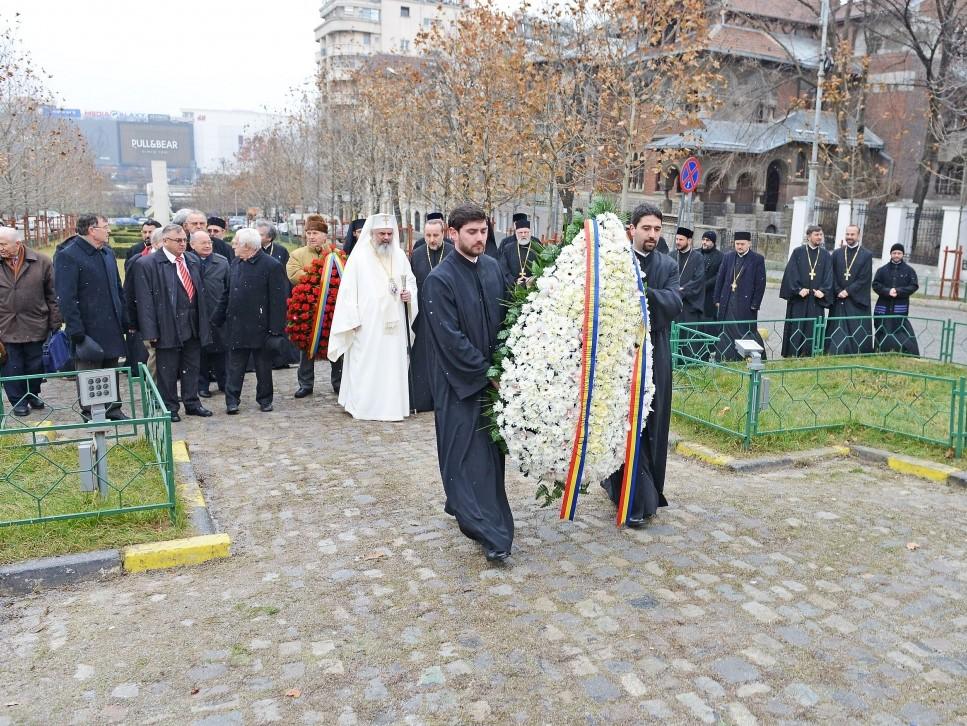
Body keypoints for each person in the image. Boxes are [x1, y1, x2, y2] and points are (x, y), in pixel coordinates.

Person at [422, 203, 512, 561]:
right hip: (458, 384)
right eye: (471, 232)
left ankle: (479, 514)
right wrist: (487, 373)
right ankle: (488, 533)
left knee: (488, 459)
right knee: (463, 457)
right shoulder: (439, 280)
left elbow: (506, 319)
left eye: (483, 231)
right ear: (452, 234)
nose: (479, 238)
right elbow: (450, 338)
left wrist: (507, 365)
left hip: (492, 381)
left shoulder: (492, 267)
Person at [601, 203, 682, 527]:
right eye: (646, 228)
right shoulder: (617, 261)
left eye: (657, 229)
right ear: (631, 229)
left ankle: (646, 492)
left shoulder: (668, 264)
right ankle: (627, 493)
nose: (652, 235)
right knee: (622, 422)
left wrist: (643, 295)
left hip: (655, 351)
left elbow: (675, 302)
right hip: (620, 354)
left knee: (652, 418)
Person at [327, 213, 417, 421]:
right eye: (381, 233)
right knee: (366, 366)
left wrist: (409, 294)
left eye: (389, 233)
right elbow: (348, 293)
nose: (386, 237)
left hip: (394, 325)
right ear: (372, 233)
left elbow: (411, 282)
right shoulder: (358, 258)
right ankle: (365, 407)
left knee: (392, 366)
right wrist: (352, 320)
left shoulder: (400, 256)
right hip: (367, 325)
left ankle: (393, 407)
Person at [53, 213, 130, 420]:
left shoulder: (106, 252)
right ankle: (91, 411)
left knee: (111, 369)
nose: (109, 230)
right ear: (91, 230)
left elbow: (117, 288)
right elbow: (66, 298)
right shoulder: (69, 255)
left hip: (111, 325)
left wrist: (124, 319)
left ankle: (113, 408)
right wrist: (77, 332)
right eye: (105, 226)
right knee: (90, 373)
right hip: (87, 328)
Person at [134, 224, 212, 421]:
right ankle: (170, 407)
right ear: (165, 241)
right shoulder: (148, 264)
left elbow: (200, 294)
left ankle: (192, 402)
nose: (182, 244)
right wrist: (150, 331)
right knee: (167, 370)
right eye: (178, 240)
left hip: (192, 324)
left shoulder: (192, 260)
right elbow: (145, 301)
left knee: (192, 366)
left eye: (185, 240)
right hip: (166, 324)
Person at [212, 228, 288, 414]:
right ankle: (232, 401)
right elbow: (227, 293)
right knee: (235, 366)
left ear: (247, 246)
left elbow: (278, 301)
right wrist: (217, 317)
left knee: (263, 368)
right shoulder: (235, 263)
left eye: (236, 243)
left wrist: (276, 330)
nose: (233, 246)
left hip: (262, 328)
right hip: (237, 326)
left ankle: (265, 399)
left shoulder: (271, 265)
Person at [0, 227, 61, 416]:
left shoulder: (41, 261)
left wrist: (55, 322)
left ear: (17, 244)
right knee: (11, 367)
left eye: (3, 244)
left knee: (36, 365)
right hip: (5, 327)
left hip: (35, 324)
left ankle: (32, 393)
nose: (0, 248)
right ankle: (18, 400)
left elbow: (53, 294)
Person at [286, 215, 343, 397]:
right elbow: (294, 274)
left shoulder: (337, 253)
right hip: (307, 309)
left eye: (315, 233)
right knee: (306, 347)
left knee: (336, 345)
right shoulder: (297, 254)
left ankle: (339, 382)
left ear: (325, 236)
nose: (311, 236)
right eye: (309, 233)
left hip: (332, 308)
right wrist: (321, 275)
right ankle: (306, 383)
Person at [409, 217, 453, 412]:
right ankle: (422, 400)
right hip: (424, 314)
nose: (432, 239)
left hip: (447, 314)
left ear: (443, 233)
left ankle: (446, 400)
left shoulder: (452, 253)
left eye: (436, 235)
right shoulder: (417, 254)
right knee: (423, 357)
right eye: (428, 235)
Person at [779, 224, 833, 357]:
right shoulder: (798, 252)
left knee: (812, 327)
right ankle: (793, 354)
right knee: (797, 326)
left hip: (815, 299)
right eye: (816, 235)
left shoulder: (825, 255)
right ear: (809, 236)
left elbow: (829, 275)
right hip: (800, 299)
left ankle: (811, 354)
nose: (819, 237)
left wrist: (824, 291)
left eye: (821, 235)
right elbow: (790, 273)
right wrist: (797, 290)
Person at [713, 232, 767, 361]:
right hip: (728, 300)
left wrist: (755, 304)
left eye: (742, 244)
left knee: (746, 330)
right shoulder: (728, 257)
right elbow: (720, 278)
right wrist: (716, 299)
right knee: (726, 329)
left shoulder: (757, 259)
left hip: (746, 304)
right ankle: (726, 357)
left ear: (749, 243)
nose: (740, 246)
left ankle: (752, 357)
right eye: (737, 244)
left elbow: (761, 284)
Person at [189, 231, 230, 397]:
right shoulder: (187, 261)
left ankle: (224, 382)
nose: (207, 245)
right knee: (200, 352)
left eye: (209, 243)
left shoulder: (222, 262)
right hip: (196, 314)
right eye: (203, 243)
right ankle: (202, 386)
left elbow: (228, 287)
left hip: (217, 313)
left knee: (221, 350)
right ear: (192, 245)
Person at [825, 224, 874, 355]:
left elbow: (864, 278)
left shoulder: (866, 255)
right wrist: (838, 290)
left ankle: (856, 352)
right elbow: (831, 274)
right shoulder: (837, 253)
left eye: (852, 234)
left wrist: (847, 291)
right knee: (837, 327)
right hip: (838, 296)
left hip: (855, 299)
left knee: (855, 327)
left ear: (858, 236)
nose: (849, 237)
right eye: (847, 234)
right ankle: (834, 350)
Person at [123, 226, 165, 373]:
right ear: (156, 243)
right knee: (154, 357)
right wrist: (132, 323)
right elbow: (130, 292)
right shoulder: (139, 261)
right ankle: (153, 392)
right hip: (148, 320)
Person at [873, 243, 920, 355]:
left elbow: (913, 286)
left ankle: (900, 352)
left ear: (903, 254)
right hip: (883, 306)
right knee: (882, 328)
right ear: (890, 254)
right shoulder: (882, 270)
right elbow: (875, 284)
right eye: (894, 253)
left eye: (899, 253)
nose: (896, 255)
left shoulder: (909, 271)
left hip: (900, 306)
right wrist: (887, 291)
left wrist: (898, 291)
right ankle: (880, 351)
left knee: (900, 329)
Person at [668, 226, 705, 324]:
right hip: (672, 303)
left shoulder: (698, 257)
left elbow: (698, 280)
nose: (677, 242)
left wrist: (682, 290)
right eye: (676, 239)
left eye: (681, 239)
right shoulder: (671, 255)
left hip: (689, 305)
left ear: (689, 241)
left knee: (686, 336)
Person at [497, 217, 544, 290]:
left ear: (530, 233)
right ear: (516, 233)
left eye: (526, 232)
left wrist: (533, 279)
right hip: (513, 289)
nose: (523, 235)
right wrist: (514, 281)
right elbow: (503, 268)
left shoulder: (537, 247)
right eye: (520, 232)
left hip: (533, 287)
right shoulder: (508, 248)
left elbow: (543, 266)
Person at [699, 231, 723, 322]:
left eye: (707, 240)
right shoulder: (695, 253)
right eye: (703, 239)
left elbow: (719, 276)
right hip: (695, 293)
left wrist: (704, 286)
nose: (704, 242)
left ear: (713, 242)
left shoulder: (720, 256)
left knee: (708, 322)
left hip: (710, 295)